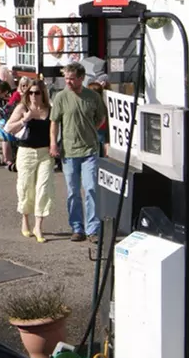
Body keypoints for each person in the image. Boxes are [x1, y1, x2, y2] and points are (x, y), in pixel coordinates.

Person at [49, 62, 106, 243]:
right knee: (73, 191)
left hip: (89, 150)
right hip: (69, 150)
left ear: (81, 78)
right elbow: (54, 122)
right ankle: (77, 227)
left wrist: (92, 130)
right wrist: (53, 144)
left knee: (91, 189)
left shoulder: (92, 97)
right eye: (66, 78)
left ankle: (93, 229)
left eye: (72, 79)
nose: (68, 82)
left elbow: (101, 117)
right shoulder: (61, 97)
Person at [5, 78, 54, 242]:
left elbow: (54, 130)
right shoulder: (22, 107)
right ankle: (25, 221)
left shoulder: (49, 109)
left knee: (44, 188)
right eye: (30, 93)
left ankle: (38, 226)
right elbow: (8, 128)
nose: (33, 96)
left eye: (37, 93)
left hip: (45, 153)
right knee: (25, 187)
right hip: (26, 151)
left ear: (43, 94)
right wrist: (24, 120)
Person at [0, 76, 33, 169]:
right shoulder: (17, 95)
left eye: (26, 85)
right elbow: (9, 108)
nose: (24, 87)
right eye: (22, 85)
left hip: (25, 119)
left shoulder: (32, 94)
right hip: (12, 117)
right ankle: (7, 159)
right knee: (5, 130)